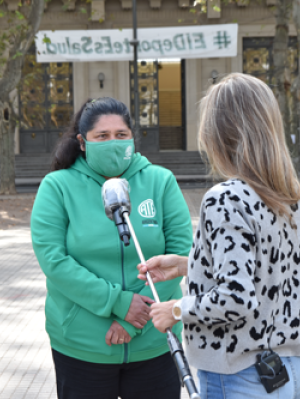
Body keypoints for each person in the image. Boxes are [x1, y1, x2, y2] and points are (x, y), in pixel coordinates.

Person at [138, 73, 300, 399]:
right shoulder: (291, 194)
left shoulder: (225, 198)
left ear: (218, 134)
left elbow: (237, 297)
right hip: (298, 370)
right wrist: (186, 264)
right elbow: (269, 270)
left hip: (242, 374)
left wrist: (176, 309)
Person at [30, 97, 193, 399]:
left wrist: (136, 319)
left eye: (121, 135)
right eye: (101, 136)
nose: (113, 143)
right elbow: (54, 261)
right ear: (82, 142)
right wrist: (117, 302)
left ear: (132, 137)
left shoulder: (161, 182)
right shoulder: (57, 187)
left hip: (155, 344)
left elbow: (182, 257)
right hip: (82, 346)